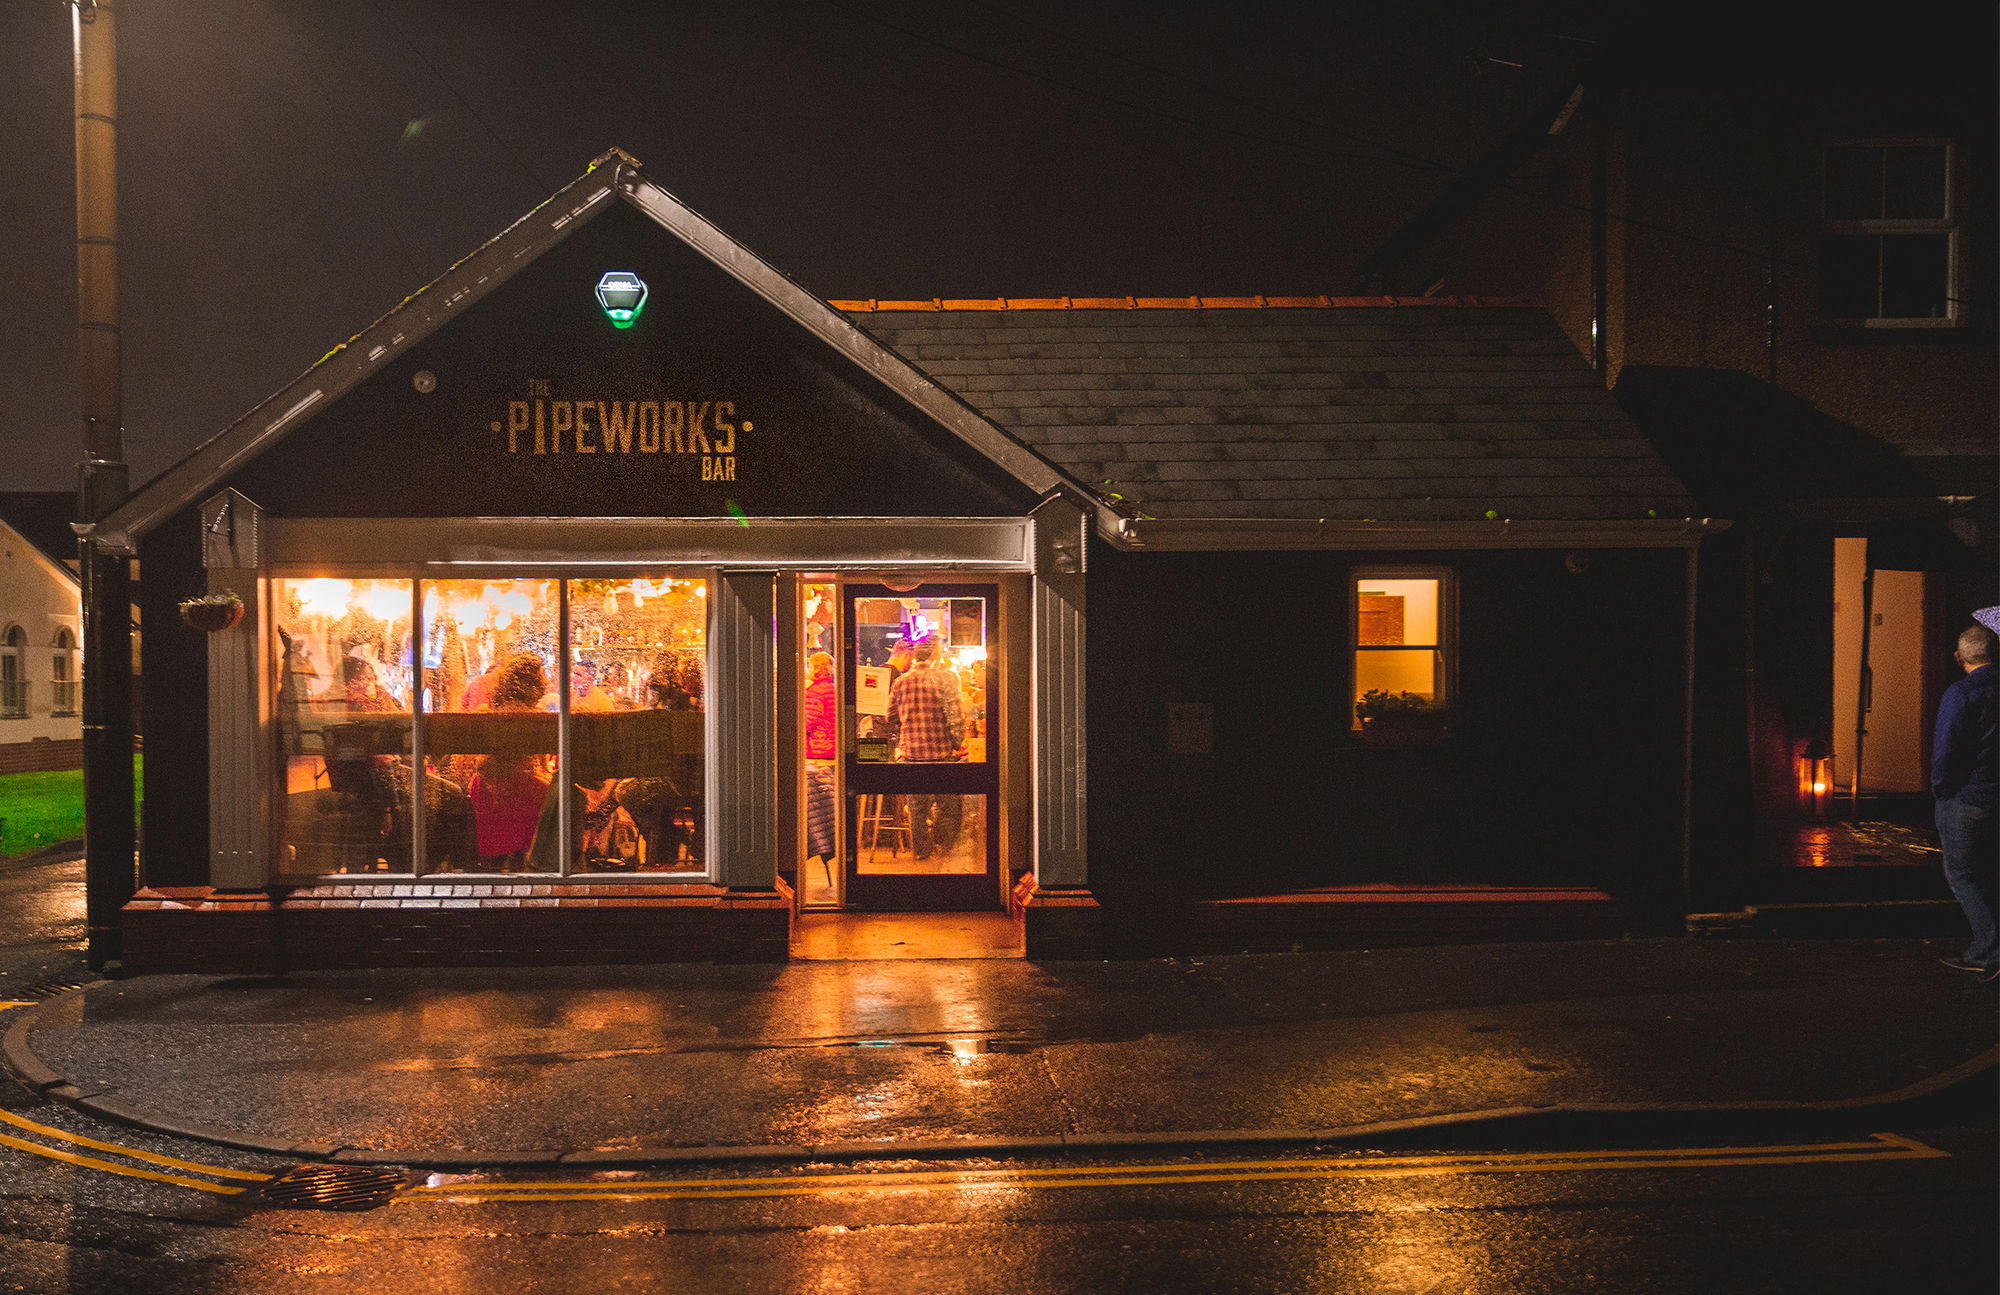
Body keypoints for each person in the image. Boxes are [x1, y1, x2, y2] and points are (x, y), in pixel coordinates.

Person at [1933, 615, 1998, 982]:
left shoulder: (1960, 693)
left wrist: (1941, 788)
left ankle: (1988, 950)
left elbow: (1947, 748)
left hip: (1968, 796)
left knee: (1964, 874)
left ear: (1959, 658)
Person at [886, 638, 965, 859]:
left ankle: (922, 853)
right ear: (934, 655)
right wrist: (957, 743)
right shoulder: (946, 678)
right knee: (948, 806)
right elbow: (955, 716)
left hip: (912, 754)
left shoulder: (901, 683)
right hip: (941, 754)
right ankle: (945, 849)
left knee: (917, 810)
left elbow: (890, 715)